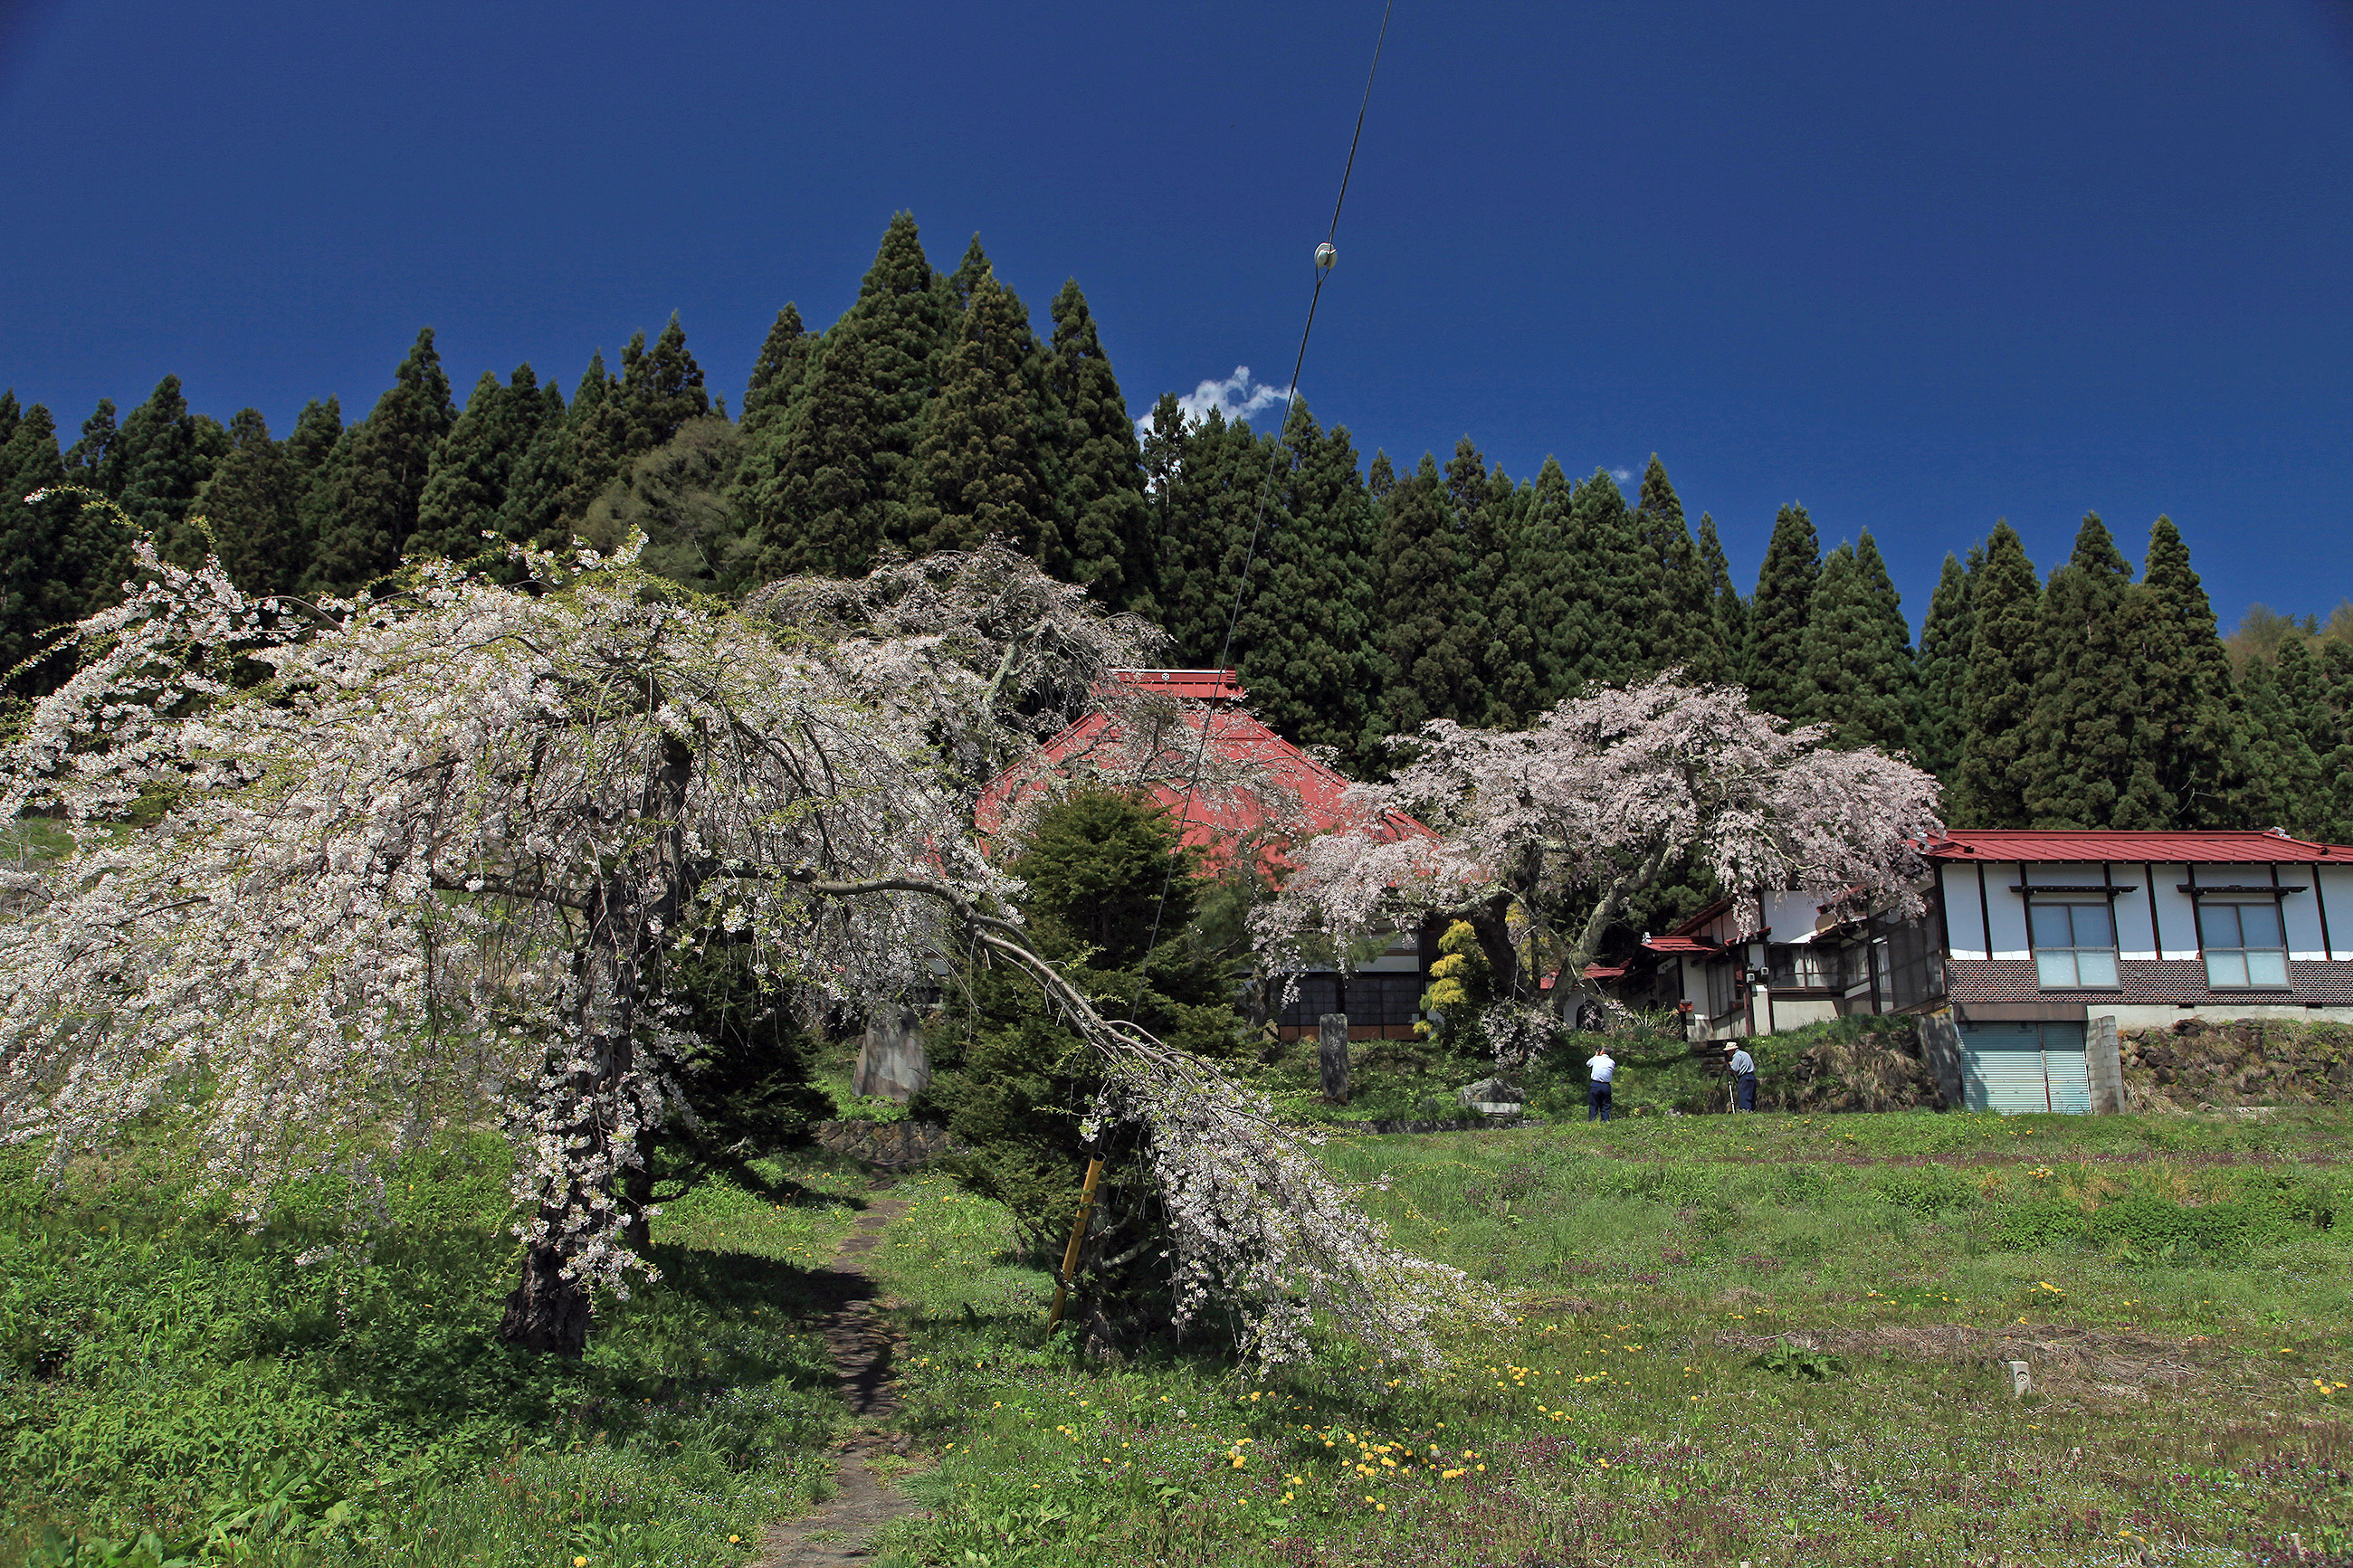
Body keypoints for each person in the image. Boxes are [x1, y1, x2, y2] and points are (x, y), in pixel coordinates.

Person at [1727, 1042, 1758, 1112]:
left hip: (1744, 1077)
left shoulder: (1736, 1056)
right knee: (1751, 1097)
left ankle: (1745, 1112)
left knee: (1744, 1097)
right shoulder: (1745, 1054)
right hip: (1751, 1076)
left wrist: (1730, 1065)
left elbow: (1735, 1068)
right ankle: (1751, 1111)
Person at [1587, 1046, 1615, 1122]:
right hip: (1606, 1085)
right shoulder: (1612, 1062)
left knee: (1593, 1104)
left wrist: (1596, 1055)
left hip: (1595, 1084)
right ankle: (1605, 1121)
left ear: (1602, 1052)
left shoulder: (1596, 1058)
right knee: (1605, 1105)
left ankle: (1592, 1121)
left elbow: (1588, 1064)